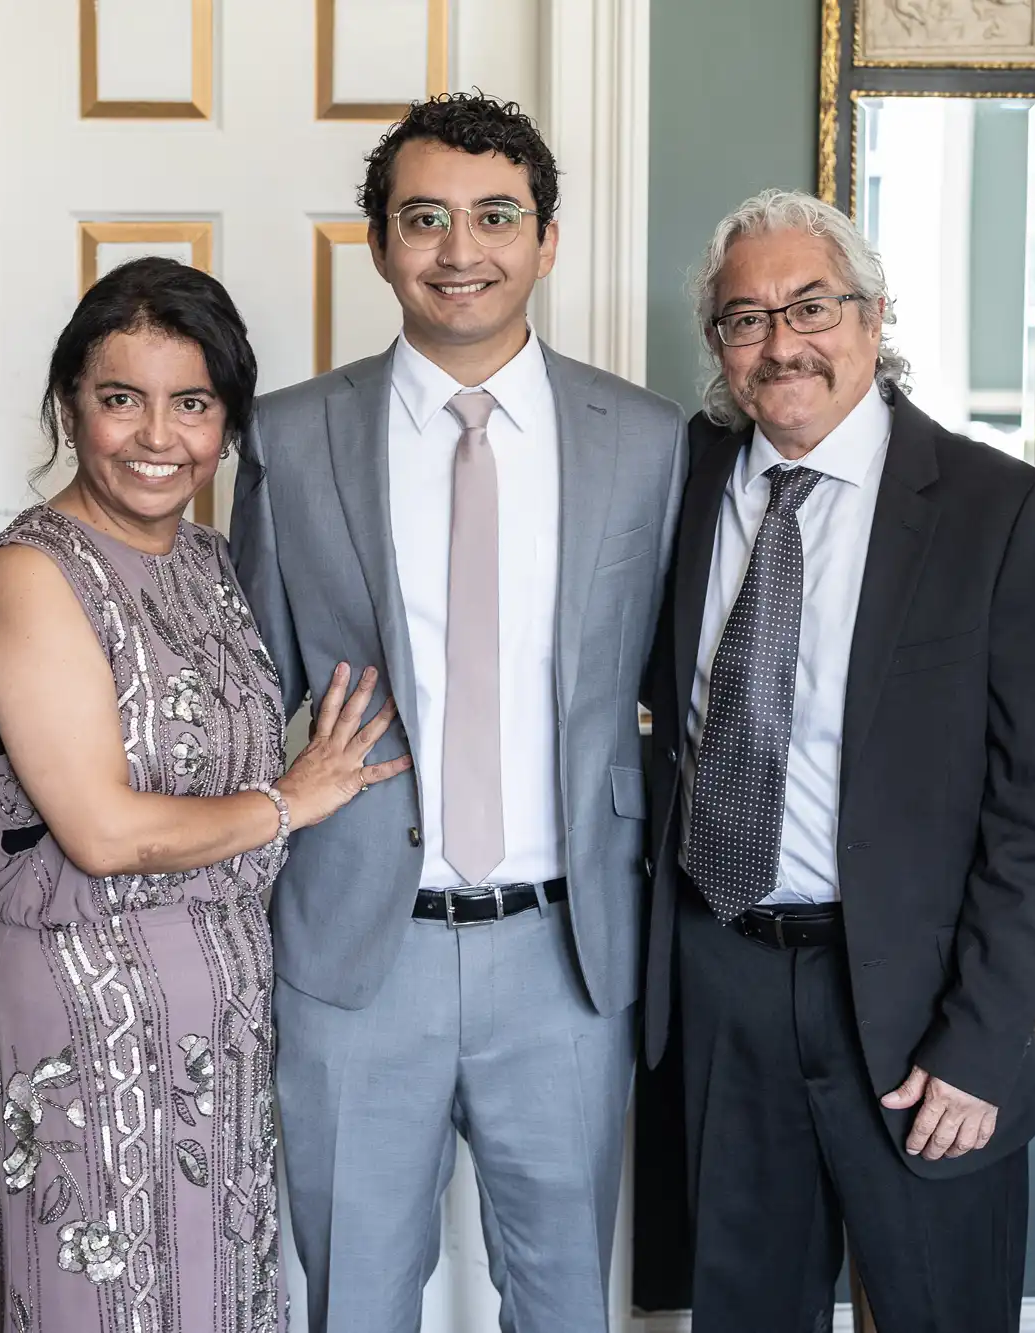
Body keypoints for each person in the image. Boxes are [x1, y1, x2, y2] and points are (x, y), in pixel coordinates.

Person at [231, 93, 687, 1333]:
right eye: (422, 219)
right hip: (353, 957)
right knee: (358, 1299)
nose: (458, 249)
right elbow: (234, 693)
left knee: (561, 1301)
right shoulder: (286, 437)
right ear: (377, 243)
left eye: (495, 216)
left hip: (566, 954)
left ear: (546, 240)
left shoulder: (649, 445)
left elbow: (679, 686)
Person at [640, 190, 1035, 1331]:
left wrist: (980, 1044)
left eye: (810, 306)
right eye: (744, 319)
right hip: (721, 980)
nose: (780, 342)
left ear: (873, 316)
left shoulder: (997, 511)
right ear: (718, 348)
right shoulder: (676, 488)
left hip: (913, 1011)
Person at [0, 257, 410, 1333]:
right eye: (121, 399)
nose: (159, 437)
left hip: (221, 1018)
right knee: (99, 1302)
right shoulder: (29, 577)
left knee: (217, 1297)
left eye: (191, 403)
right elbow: (102, 831)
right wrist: (292, 800)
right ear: (70, 405)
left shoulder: (204, 559)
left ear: (227, 419)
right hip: (80, 1012)